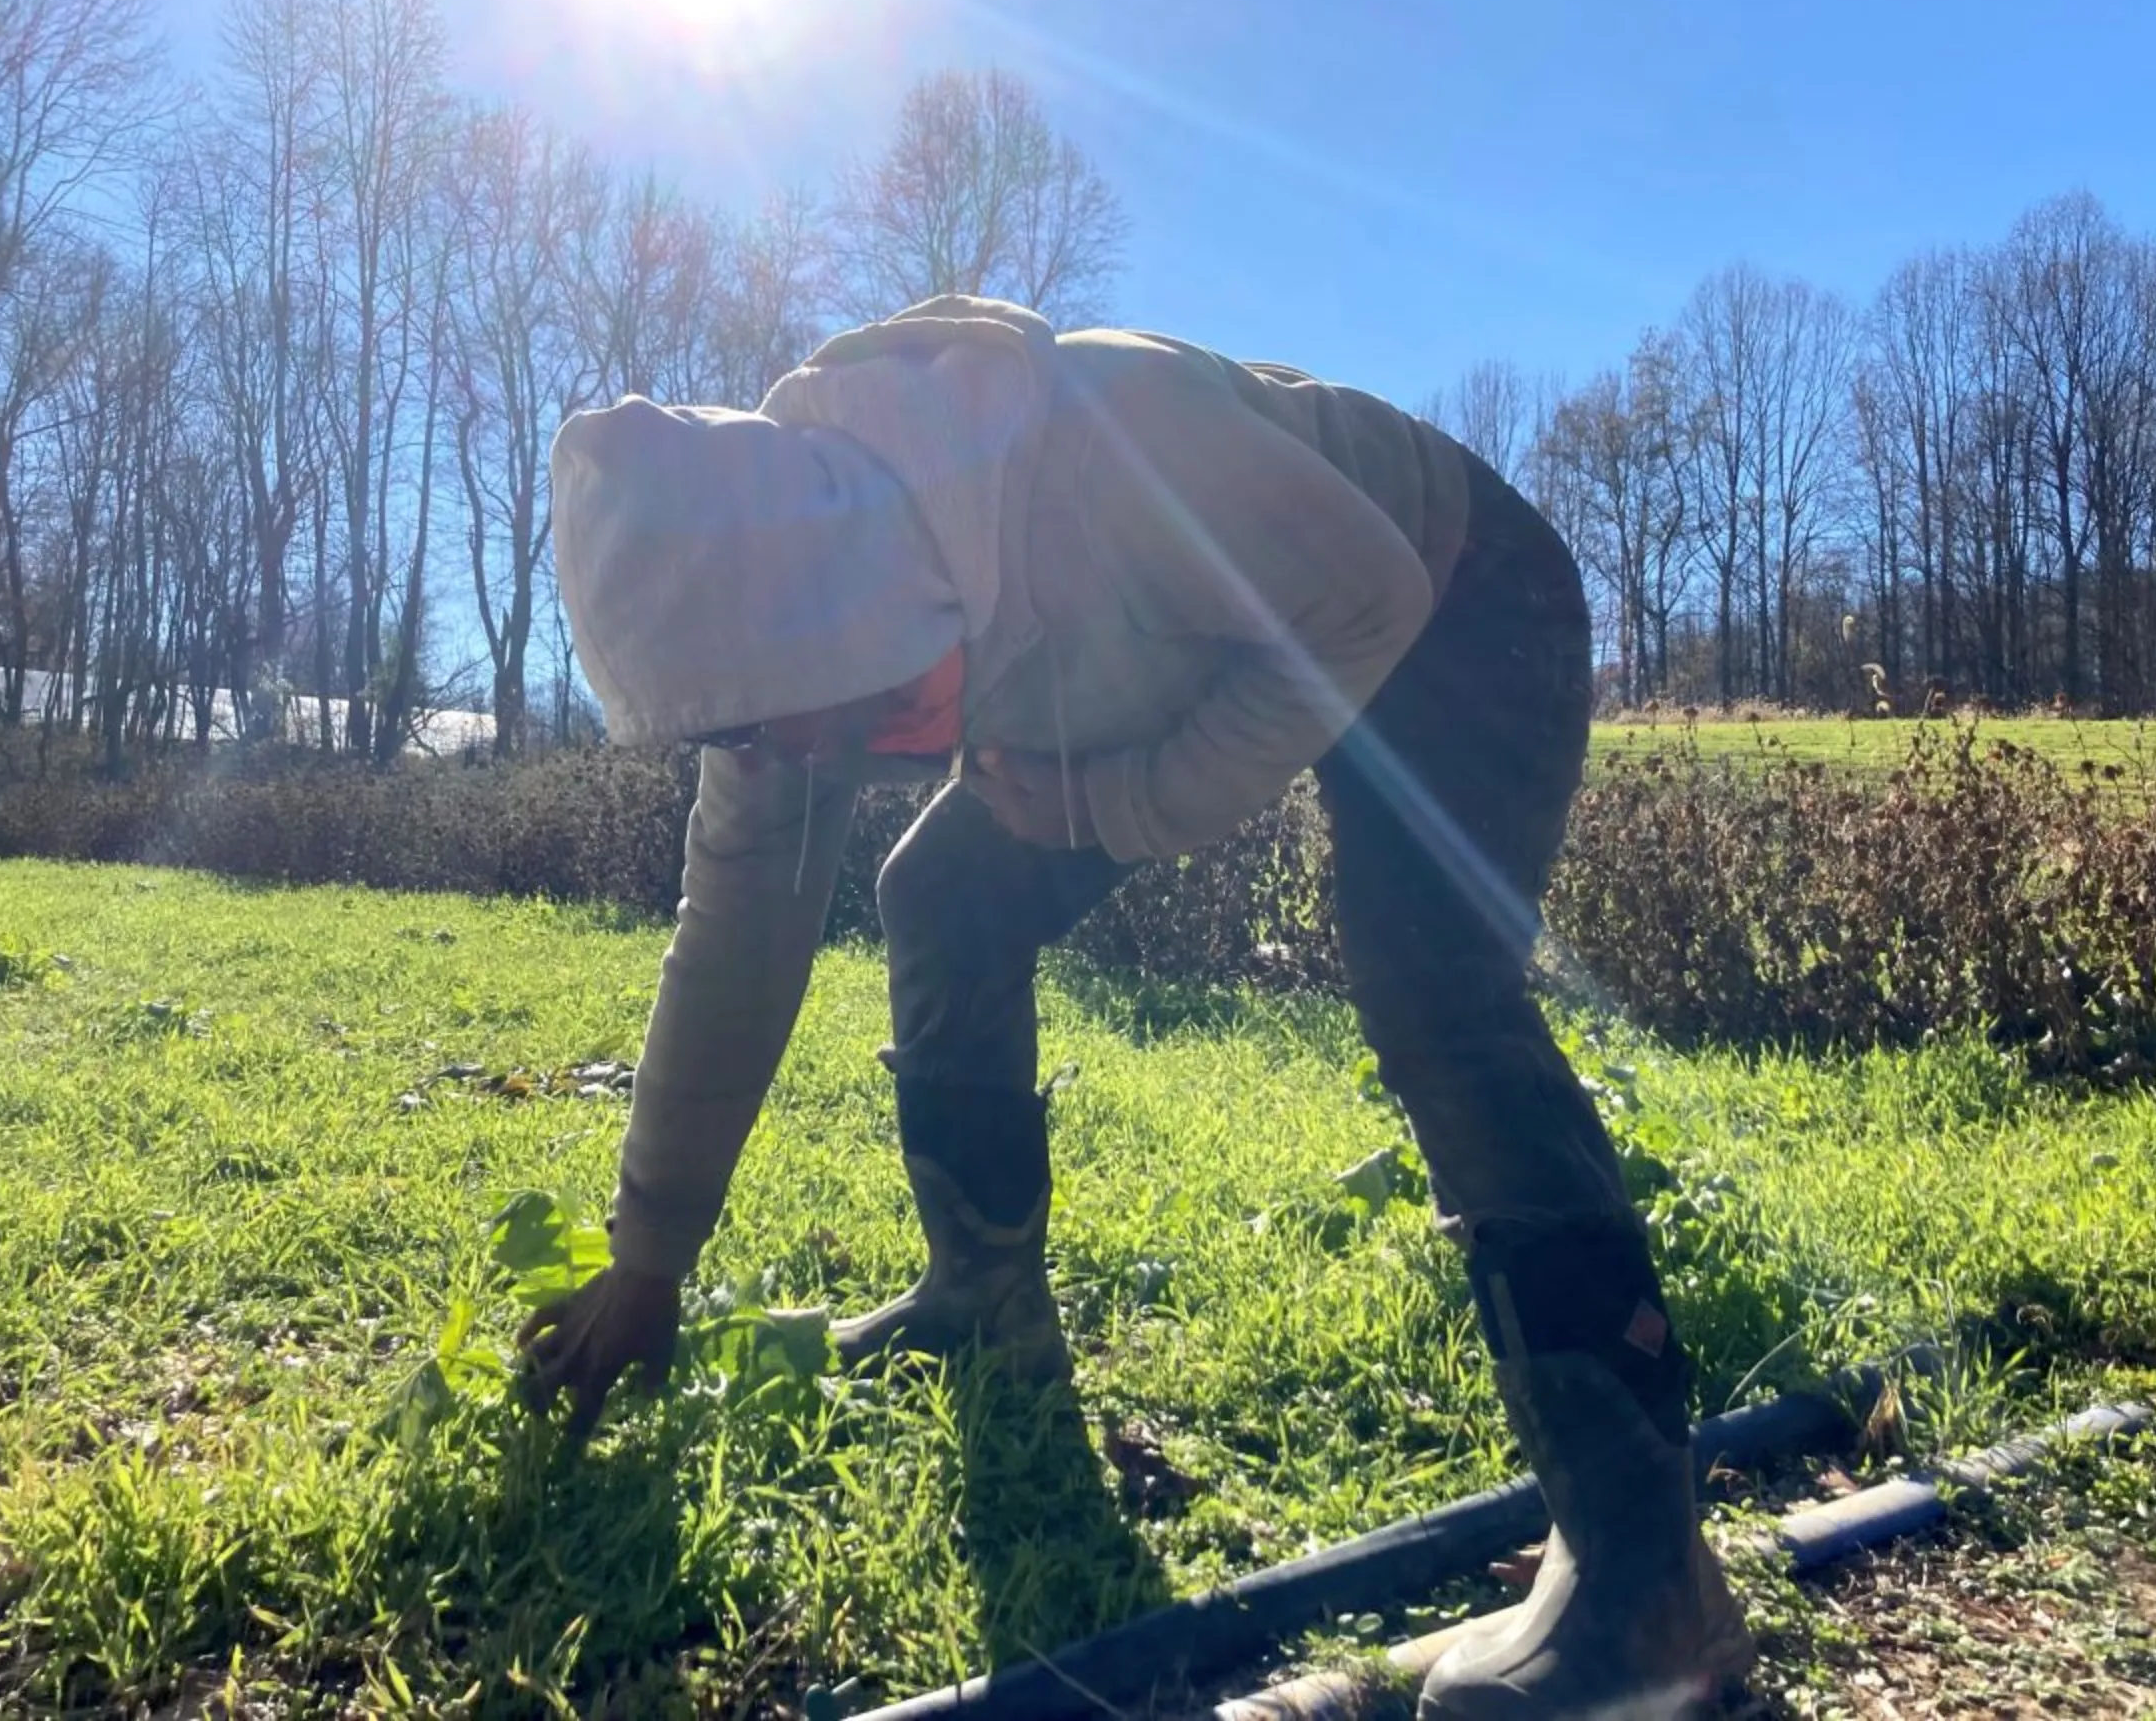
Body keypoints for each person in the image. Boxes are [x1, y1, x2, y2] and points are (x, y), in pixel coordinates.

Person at [516, 294, 1753, 1718]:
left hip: (1451, 592)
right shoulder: (777, 675)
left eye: (830, 721)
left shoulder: (1108, 444)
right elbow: (732, 939)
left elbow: (1367, 598)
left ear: (853, 601)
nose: (807, 757)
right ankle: (985, 1297)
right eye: (763, 735)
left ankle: (1649, 1586)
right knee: (947, 891)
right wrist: (649, 1259)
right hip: (1212, 643)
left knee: (1434, 984)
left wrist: (1125, 799)